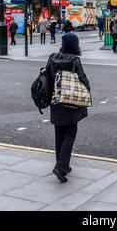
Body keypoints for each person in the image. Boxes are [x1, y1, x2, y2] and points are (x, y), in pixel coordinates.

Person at [45, 32, 90, 183]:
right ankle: (61, 166)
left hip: (55, 100)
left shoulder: (52, 58)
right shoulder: (75, 60)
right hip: (70, 102)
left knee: (59, 133)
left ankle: (62, 164)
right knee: (70, 133)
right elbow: (83, 80)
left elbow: (48, 79)